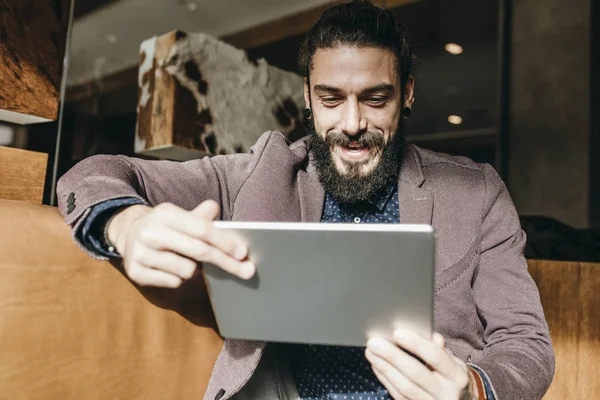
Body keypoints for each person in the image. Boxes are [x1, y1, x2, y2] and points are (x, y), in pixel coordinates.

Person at [57, 1, 554, 399]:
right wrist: (124, 225)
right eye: (332, 98)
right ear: (308, 96)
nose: (353, 123)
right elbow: (92, 175)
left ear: (407, 93)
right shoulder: (262, 171)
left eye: (375, 98)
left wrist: (472, 389)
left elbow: (527, 345)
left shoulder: (478, 191)